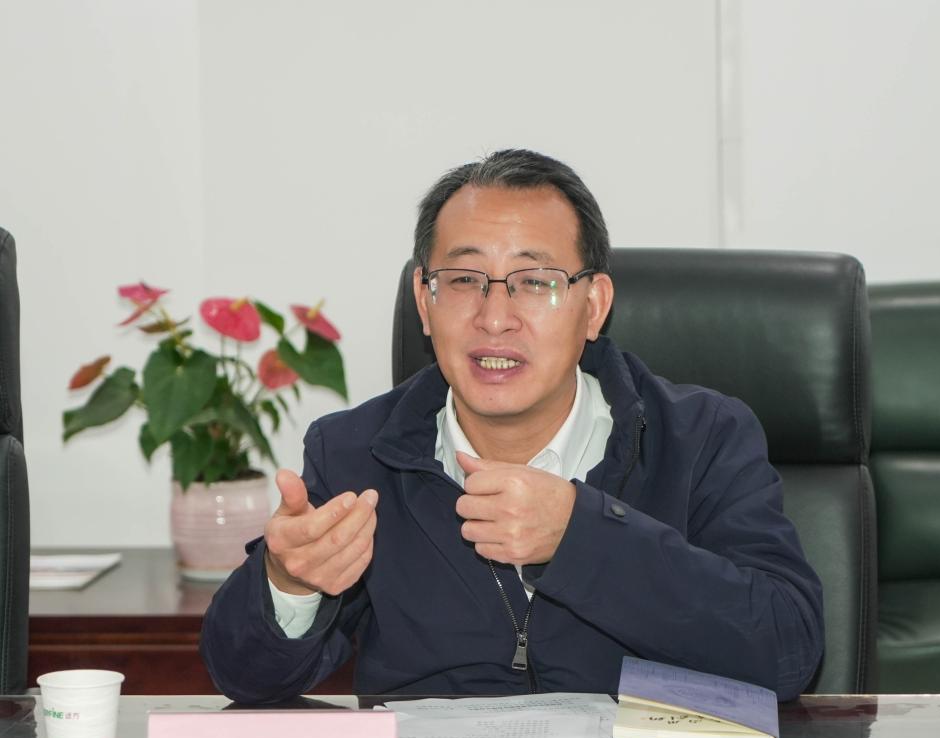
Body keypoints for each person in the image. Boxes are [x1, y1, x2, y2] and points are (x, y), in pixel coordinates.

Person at [201, 149, 823, 703]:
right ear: (424, 302)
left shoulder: (701, 437)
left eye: (534, 282)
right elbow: (247, 680)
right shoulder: (356, 454)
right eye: (463, 280)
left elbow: (788, 648)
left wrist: (584, 537)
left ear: (593, 306)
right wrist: (289, 583)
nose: (495, 318)